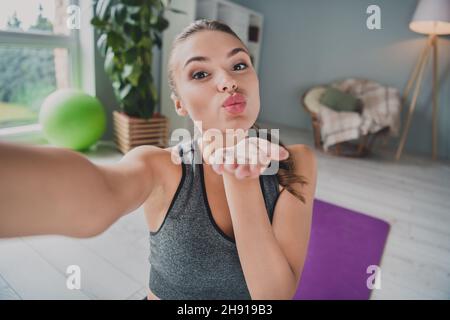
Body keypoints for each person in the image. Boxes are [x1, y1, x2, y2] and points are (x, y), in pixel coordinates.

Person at [0, 19, 317, 300]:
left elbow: (274, 295)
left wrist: (239, 176)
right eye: (201, 73)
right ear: (179, 104)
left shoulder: (295, 161)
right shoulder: (158, 165)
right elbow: (94, 198)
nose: (228, 81)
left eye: (239, 65)